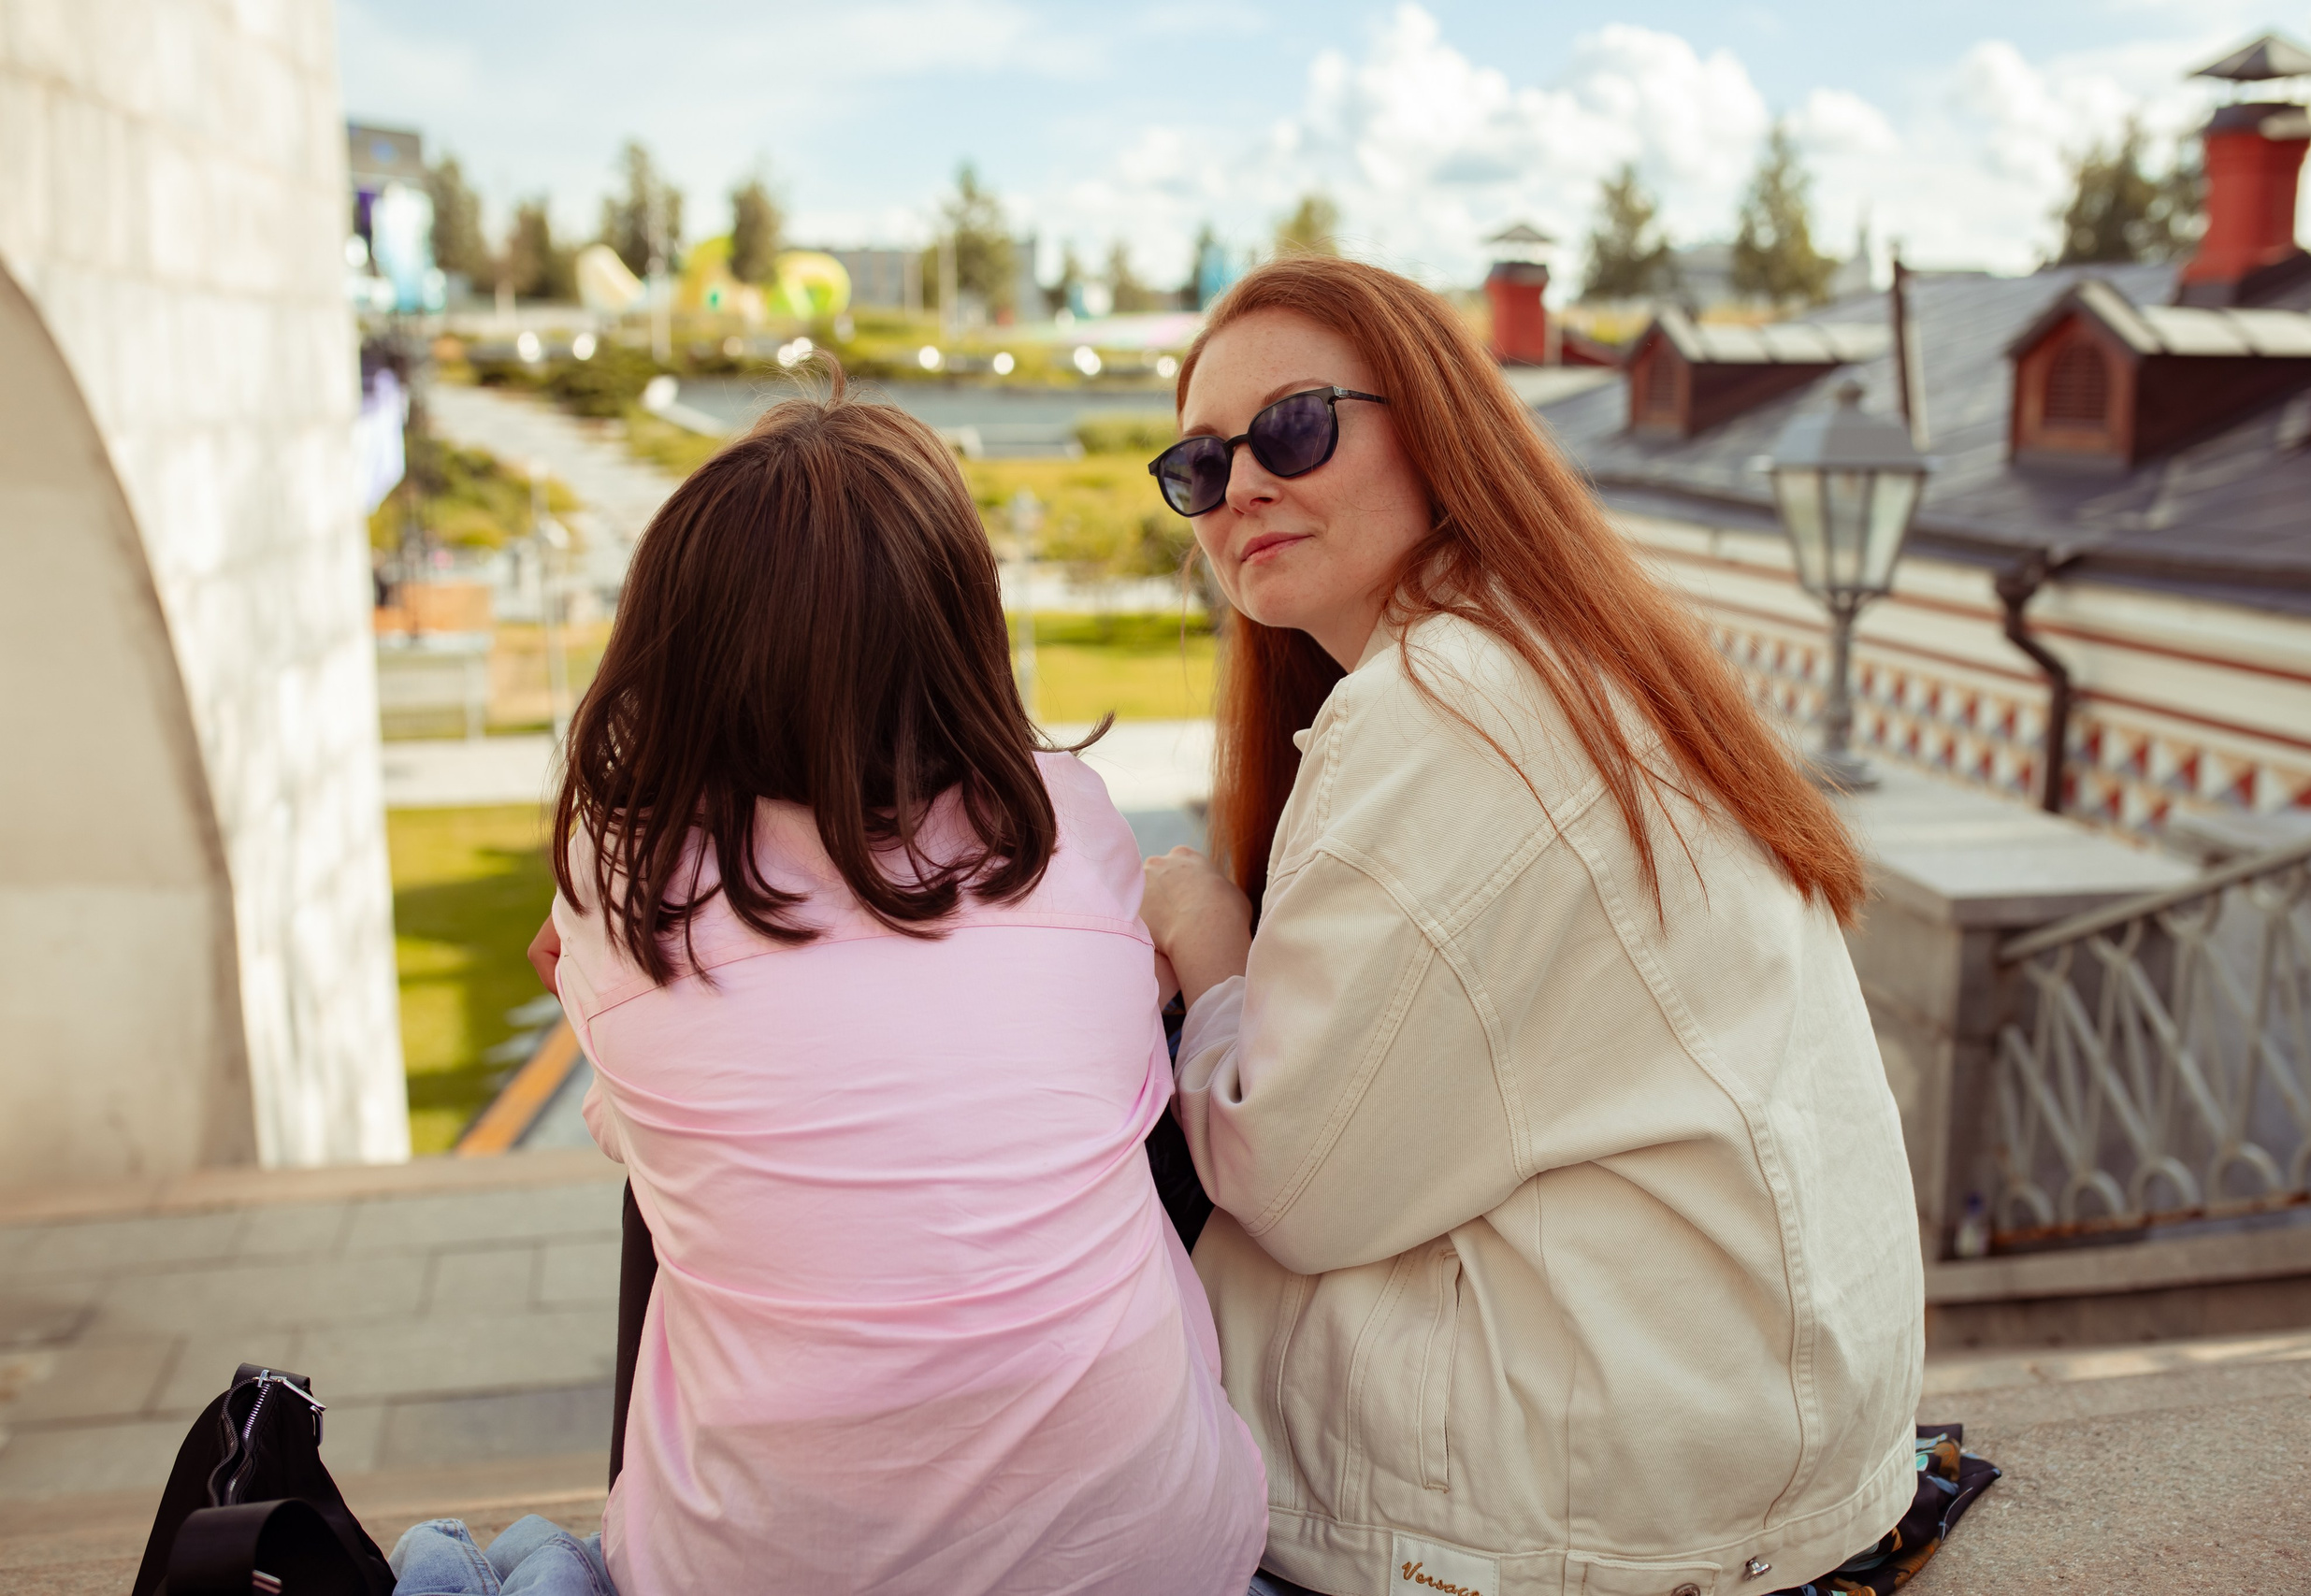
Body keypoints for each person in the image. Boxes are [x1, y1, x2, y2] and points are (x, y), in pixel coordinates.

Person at [1138, 257, 1926, 1596]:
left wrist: (1206, 940)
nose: (1243, 488)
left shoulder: (1439, 704)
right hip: (1749, 1433)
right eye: (1199, 466)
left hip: (1603, 1496)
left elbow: (1292, 1179)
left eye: (1294, 428)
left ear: (1436, 427)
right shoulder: (1553, 648)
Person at [470, 379, 1264, 1596]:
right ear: (959, 633)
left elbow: (653, 1135)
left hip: (737, 1574)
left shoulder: (617, 881)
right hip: (1154, 1559)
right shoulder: (1065, 821)